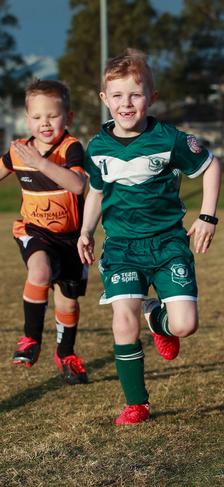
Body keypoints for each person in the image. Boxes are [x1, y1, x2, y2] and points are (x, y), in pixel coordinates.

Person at [77, 49, 221, 425]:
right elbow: (95, 190)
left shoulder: (169, 139)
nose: (127, 103)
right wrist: (86, 230)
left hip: (169, 245)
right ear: (104, 99)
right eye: (118, 96)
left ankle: (157, 317)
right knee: (123, 320)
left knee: (186, 324)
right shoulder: (97, 147)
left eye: (135, 94)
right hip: (122, 248)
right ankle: (136, 403)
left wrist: (207, 217)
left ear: (151, 98)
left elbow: (210, 166)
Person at [0, 79, 89, 385]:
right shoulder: (19, 151)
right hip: (34, 230)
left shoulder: (71, 147)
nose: (44, 123)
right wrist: (28, 158)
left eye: (52, 115)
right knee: (38, 270)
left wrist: (39, 163)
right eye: (37, 117)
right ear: (27, 120)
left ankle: (66, 354)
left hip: (72, 239)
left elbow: (78, 185)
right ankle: (30, 339)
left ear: (68, 117)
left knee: (68, 303)